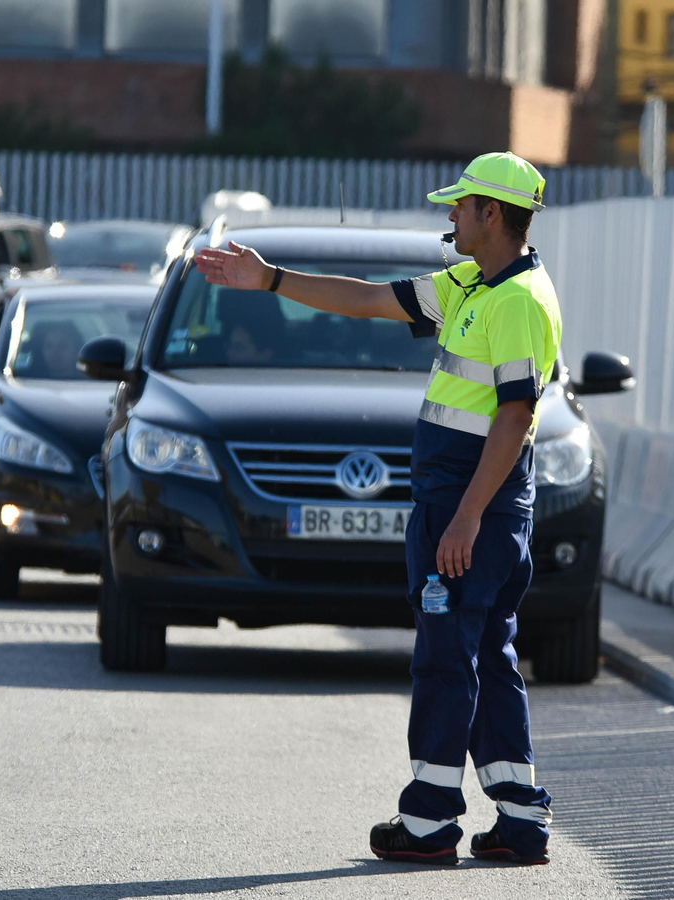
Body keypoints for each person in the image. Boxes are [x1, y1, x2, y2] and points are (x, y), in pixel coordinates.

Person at [195, 151, 560, 868]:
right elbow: (367, 299)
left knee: (445, 659)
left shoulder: (516, 299)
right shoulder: (472, 282)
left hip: (469, 507)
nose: (450, 216)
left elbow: (514, 419)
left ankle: (427, 822)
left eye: (460, 206)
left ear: (491, 213)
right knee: (485, 654)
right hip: (465, 503)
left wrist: (464, 518)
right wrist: (267, 278)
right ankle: (519, 818)